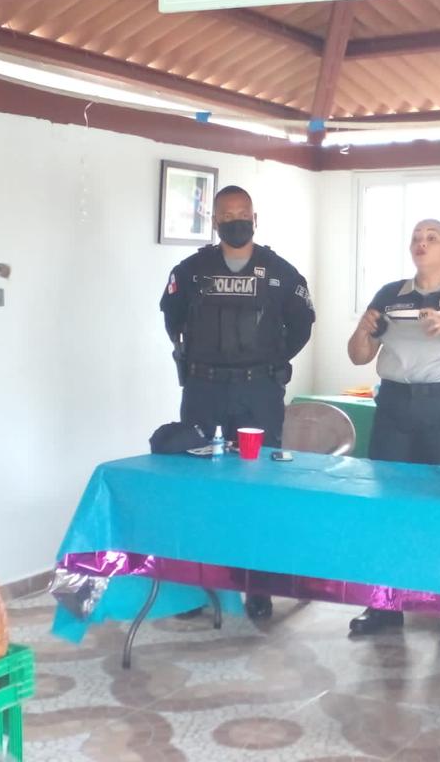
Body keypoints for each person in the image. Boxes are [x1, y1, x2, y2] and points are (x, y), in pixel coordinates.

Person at [160, 185, 315, 620]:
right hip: (204, 391)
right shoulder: (192, 271)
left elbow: (302, 324)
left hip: (257, 393)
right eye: (227, 215)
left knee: (259, 486)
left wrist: (271, 361)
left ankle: (258, 586)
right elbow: (172, 319)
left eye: (242, 213)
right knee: (198, 485)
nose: (236, 221)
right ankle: (199, 586)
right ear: (214, 221)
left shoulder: (280, 272)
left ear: (255, 218)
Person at [345, 218, 440, 648]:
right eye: (416, 237)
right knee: (389, 509)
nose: (422, 243)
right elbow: (358, 355)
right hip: (395, 405)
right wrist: (363, 329)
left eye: (432, 238)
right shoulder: (390, 294)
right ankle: (385, 604)